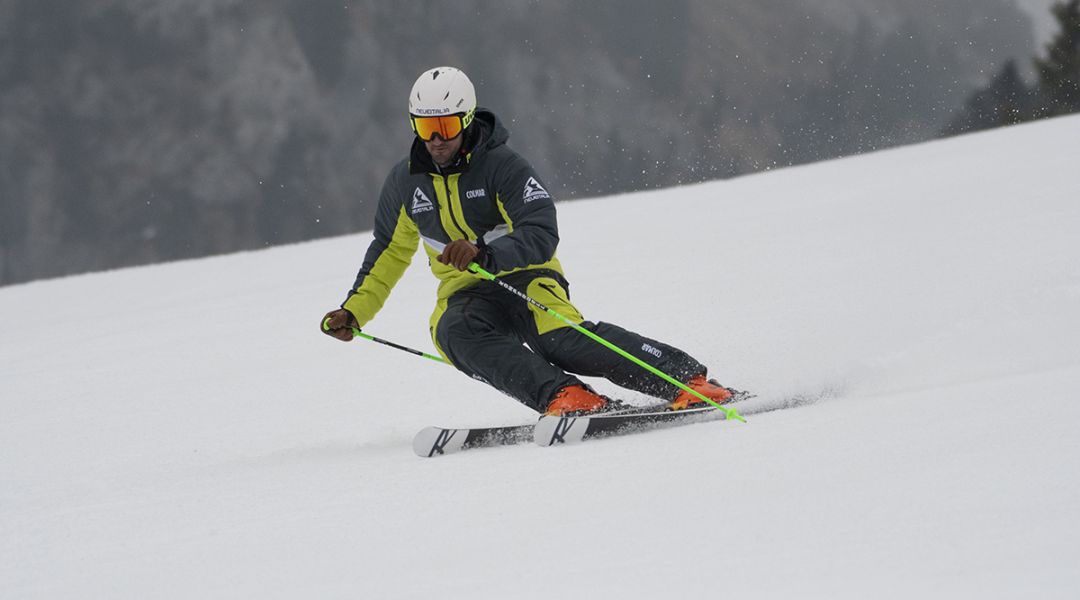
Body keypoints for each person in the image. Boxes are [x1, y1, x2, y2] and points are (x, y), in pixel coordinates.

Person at [321, 66, 734, 416]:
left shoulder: (503, 166)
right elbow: (389, 252)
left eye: (445, 126)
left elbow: (541, 231)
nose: (436, 139)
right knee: (452, 331)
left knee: (562, 340)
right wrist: (354, 311)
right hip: (466, 293)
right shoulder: (404, 183)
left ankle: (688, 381)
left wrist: (485, 254)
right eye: (425, 127)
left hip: (527, 278)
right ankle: (567, 397)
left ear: (465, 121)